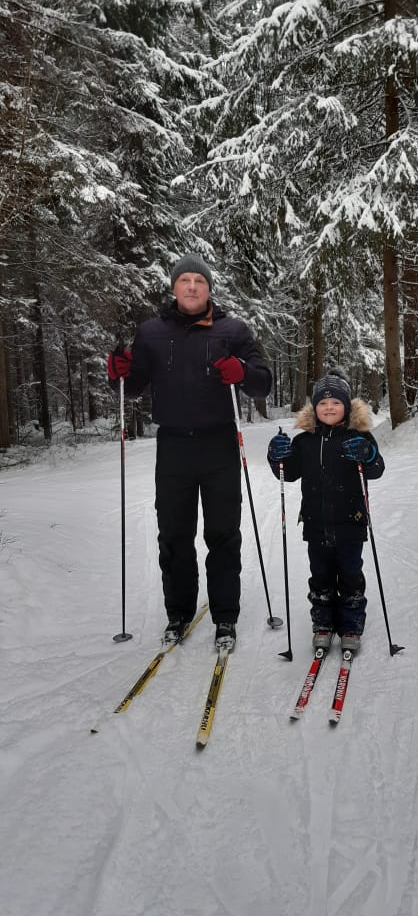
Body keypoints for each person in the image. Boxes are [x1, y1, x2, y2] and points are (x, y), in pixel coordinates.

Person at [107, 253, 272, 650]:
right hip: (174, 447)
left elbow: (262, 382)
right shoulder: (151, 332)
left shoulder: (233, 330)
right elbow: (132, 384)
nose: (192, 286)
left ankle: (225, 617)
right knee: (174, 535)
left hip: (220, 445)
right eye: (185, 280)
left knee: (223, 534)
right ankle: (178, 614)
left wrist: (243, 372)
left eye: (199, 281)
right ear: (174, 287)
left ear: (209, 288)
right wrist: (119, 373)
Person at [267, 369, 384, 651]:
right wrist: (276, 456)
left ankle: (351, 625)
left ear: (346, 406)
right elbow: (288, 473)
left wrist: (368, 455)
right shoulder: (304, 440)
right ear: (314, 407)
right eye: (322, 403)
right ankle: (323, 623)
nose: (329, 408)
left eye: (335, 402)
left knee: (351, 575)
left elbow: (376, 469)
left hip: (351, 522)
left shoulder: (359, 436)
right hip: (315, 523)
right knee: (320, 576)